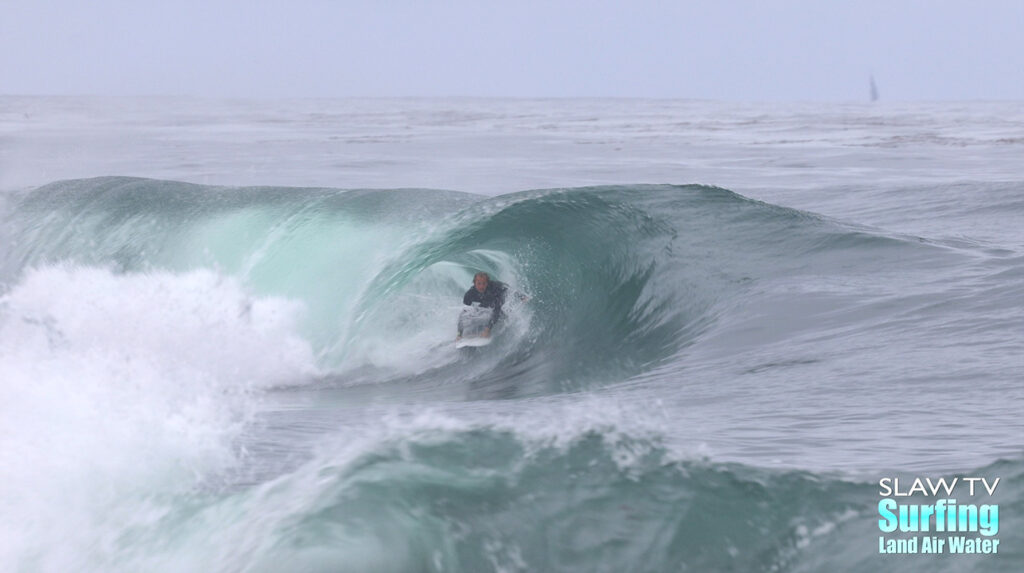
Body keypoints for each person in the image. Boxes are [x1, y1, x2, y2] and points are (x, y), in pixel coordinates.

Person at [457, 272, 526, 339]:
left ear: (487, 283)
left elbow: (510, 290)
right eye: (479, 284)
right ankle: (461, 334)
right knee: (474, 312)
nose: (481, 286)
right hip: (486, 301)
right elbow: (464, 313)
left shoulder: (495, 287)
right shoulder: (470, 294)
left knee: (499, 311)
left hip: (499, 297)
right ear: (474, 283)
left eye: (484, 284)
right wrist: (459, 334)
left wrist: (522, 297)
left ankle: (487, 329)